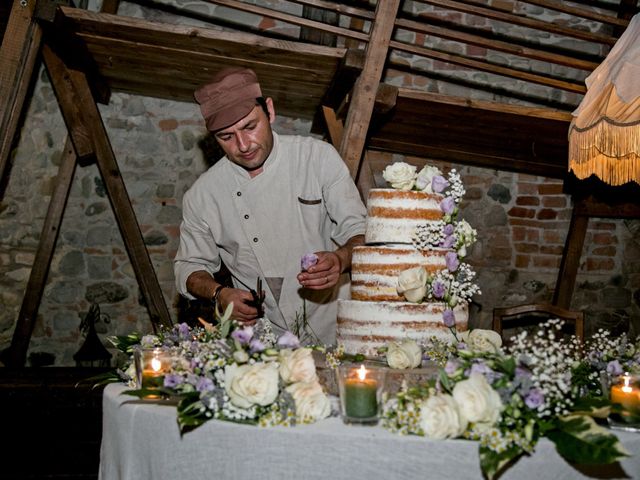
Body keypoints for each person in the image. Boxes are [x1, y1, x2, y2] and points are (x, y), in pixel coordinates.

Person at [174, 67, 366, 344]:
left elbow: (359, 232)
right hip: (262, 339)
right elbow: (189, 267)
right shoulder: (202, 195)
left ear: (270, 111)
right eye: (226, 137)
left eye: (250, 127)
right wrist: (219, 293)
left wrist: (340, 259)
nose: (243, 145)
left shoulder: (316, 158)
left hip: (333, 325)